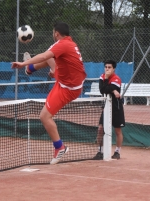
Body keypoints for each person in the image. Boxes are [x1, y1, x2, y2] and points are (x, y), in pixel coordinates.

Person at [11, 22, 87, 165]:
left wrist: (22, 64)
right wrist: (55, 73)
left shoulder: (61, 45)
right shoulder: (70, 43)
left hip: (68, 88)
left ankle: (60, 147)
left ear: (56, 34)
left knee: (44, 116)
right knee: (51, 58)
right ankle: (30, 69)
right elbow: (56, 61)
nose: (53, 35)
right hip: (69, 80)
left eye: (53, 33)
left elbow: (43, 56)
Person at [93, 60, 125, 160]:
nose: (107, 69)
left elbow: (106, 89)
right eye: (106, 67)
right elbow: (102, 90)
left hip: (116, 108)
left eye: (109, 67)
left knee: (117, 131)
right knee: (100, 129)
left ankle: (117, 152)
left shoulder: (117, 79)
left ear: (114, 69)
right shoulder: (102, 77)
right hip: (105, 108)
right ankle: (100, 151)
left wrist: (110, 86)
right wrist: (113, 89)